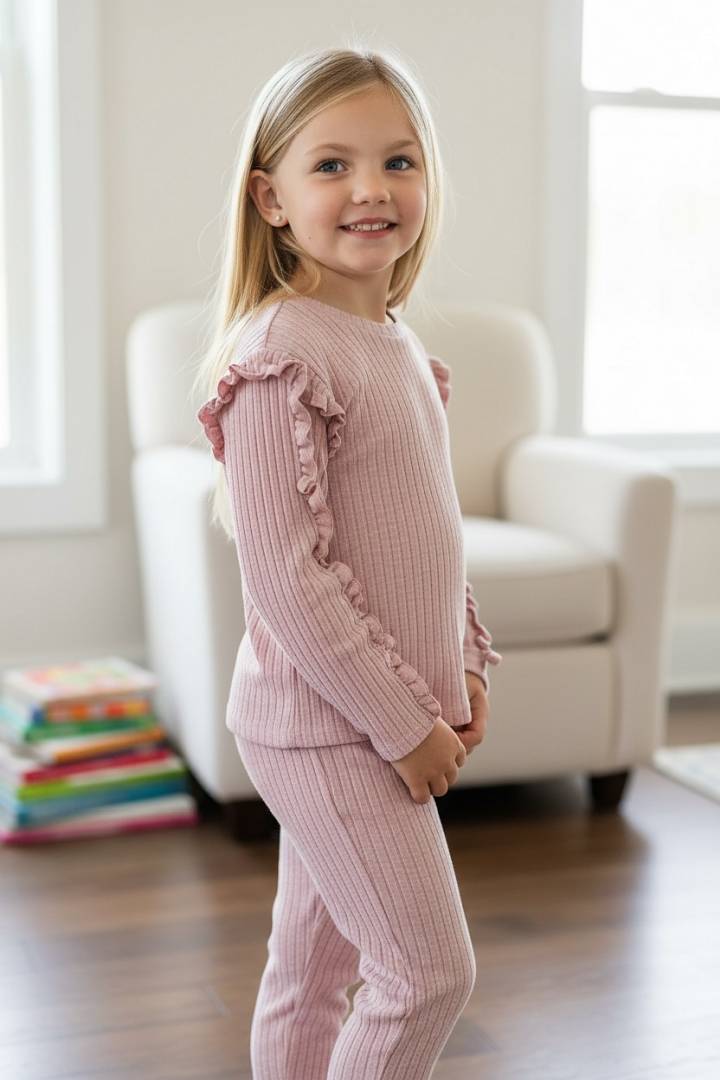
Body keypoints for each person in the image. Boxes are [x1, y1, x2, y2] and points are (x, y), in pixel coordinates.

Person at [193, 43, 503, 1080]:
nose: (372, 189)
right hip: (331, 730)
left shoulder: (399, 346)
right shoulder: (284, 350)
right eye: (332, 165)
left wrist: (462, 662)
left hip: (370, 720)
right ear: (270, 197)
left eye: (399, 162)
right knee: (427, 975)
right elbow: (289, 575)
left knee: (311, 976)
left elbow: (426, 536)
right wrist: (405, 722)